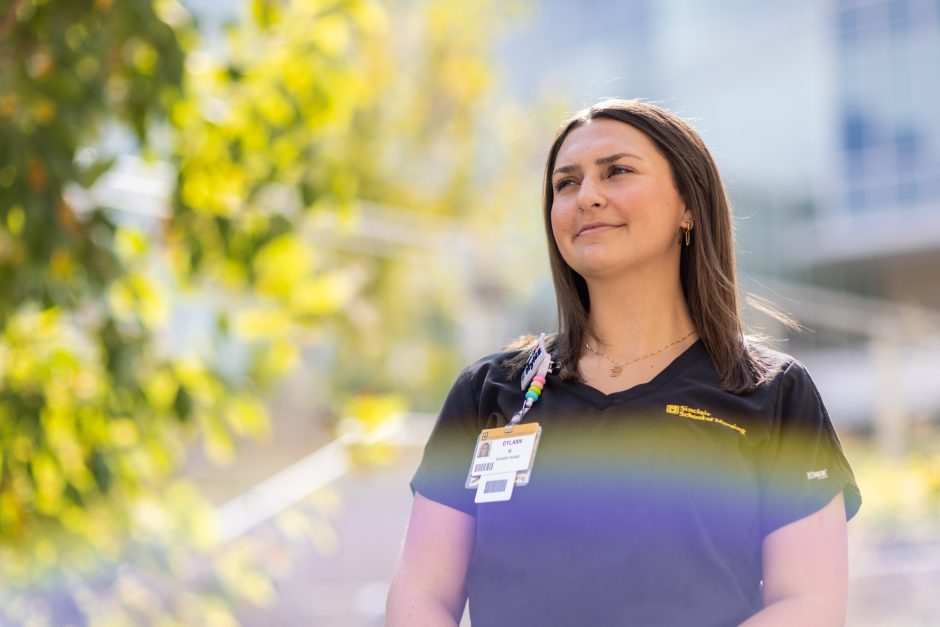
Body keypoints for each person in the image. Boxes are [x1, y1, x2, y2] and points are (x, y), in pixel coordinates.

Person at [386, 99, 862, 627]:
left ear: (689, 207)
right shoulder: (490, 391)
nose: (587, 196)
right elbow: (421, 592)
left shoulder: (771, 392)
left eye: (617, 172)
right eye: (566, 183)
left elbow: (808, 605)